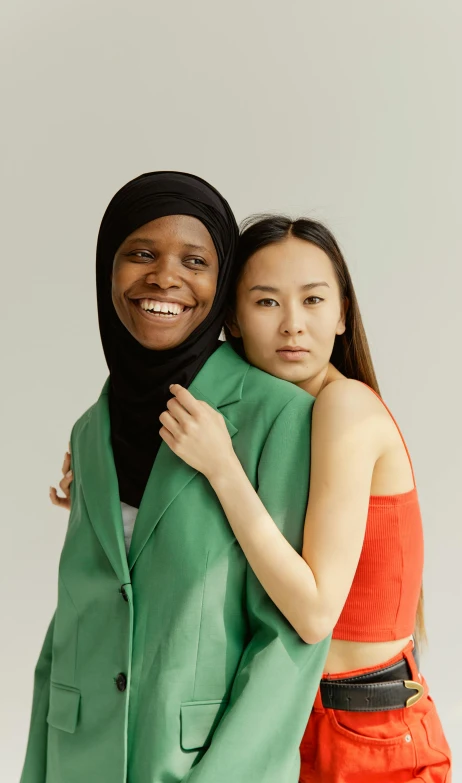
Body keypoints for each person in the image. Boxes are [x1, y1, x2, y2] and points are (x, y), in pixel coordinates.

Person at [102, 213, 450, 783]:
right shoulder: (273, 419)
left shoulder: (346, 409)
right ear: (232, 320)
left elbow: (314, 614)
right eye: (266, 303)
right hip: (283, 721)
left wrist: (222, 469)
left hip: (363, 735)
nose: (293, 326)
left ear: (342, 314)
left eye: (313, 301)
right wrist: (107, 488)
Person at [21, 175, 330, 783]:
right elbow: (75, 621)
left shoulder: (277, 417)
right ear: (107, 270)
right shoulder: (92, 430)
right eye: (140, 254)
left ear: (223, 290)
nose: (164, 277)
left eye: (195, 261)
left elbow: (288, 643)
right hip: (78, 760)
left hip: (199, 764)